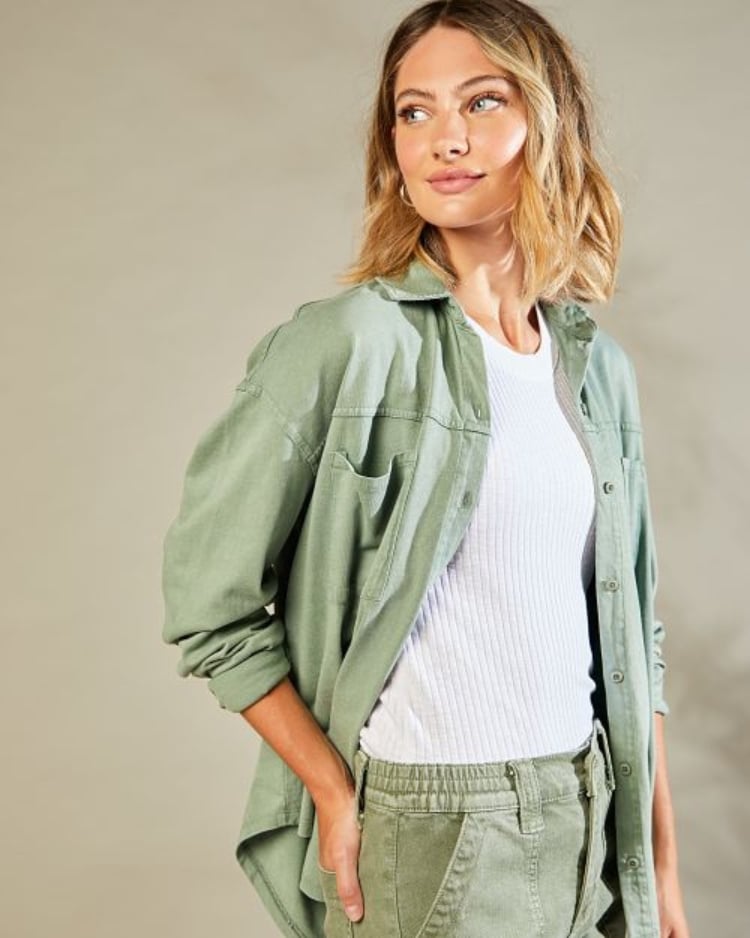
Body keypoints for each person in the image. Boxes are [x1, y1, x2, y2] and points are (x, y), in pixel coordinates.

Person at [161, 2, 690, 937]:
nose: (444, 138)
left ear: (549, 125)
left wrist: (661, 880)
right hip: (428, 828)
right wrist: (331, 791)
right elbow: (211, 603)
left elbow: (632, 635)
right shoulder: (344, 346)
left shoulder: (597, 370)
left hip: (583, 816)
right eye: (414, 112)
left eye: (482, 103)